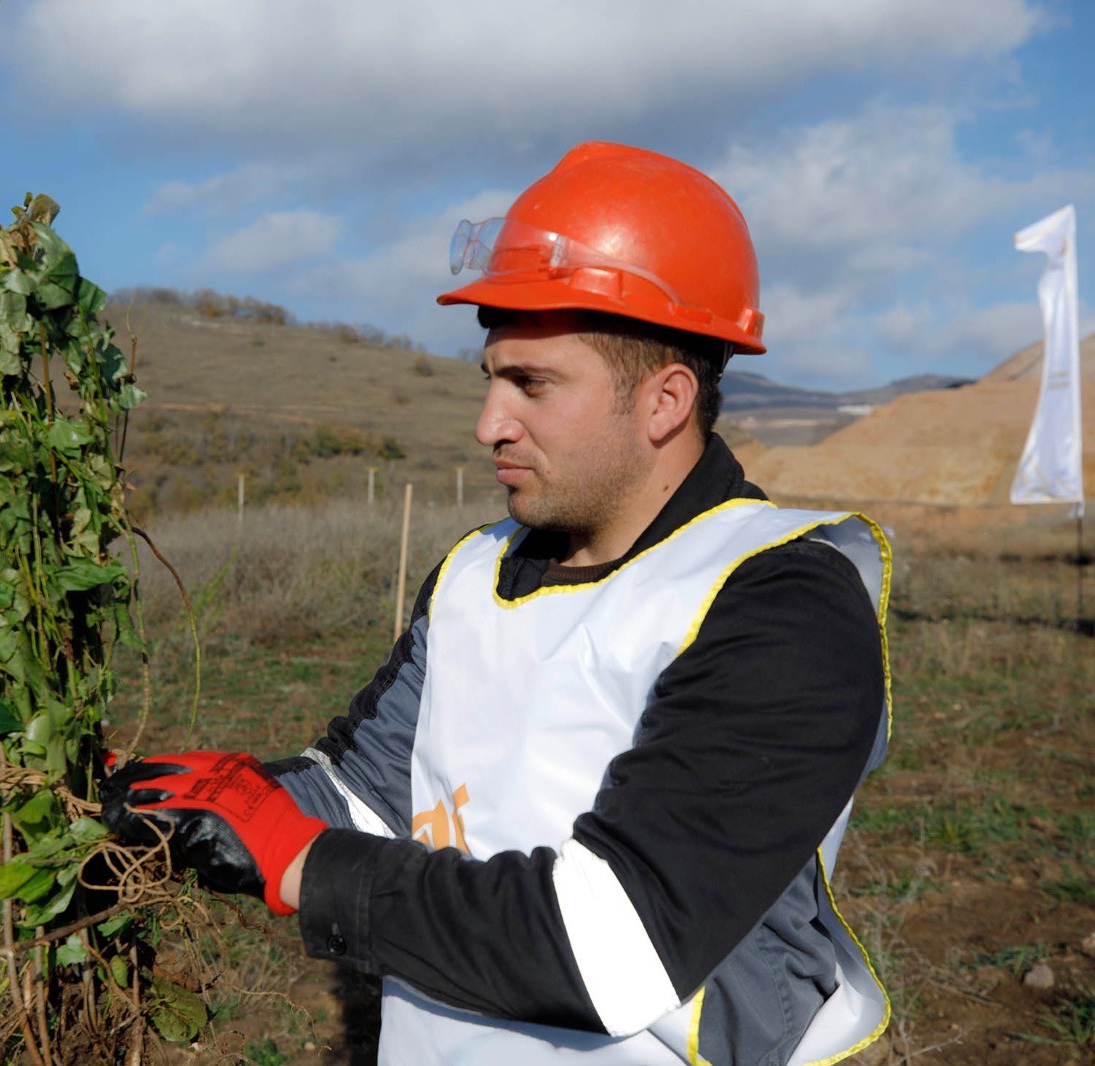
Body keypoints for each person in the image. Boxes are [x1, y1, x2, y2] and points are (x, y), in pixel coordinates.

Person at [102, 142, 892, 1065]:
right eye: (491, 378)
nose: (489, 424)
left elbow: (616, 948)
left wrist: (301, 861)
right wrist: (201, 809)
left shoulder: (780, 602)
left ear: (665, 401)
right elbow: (366, 794)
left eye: (533, 384)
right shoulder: (478, 572)